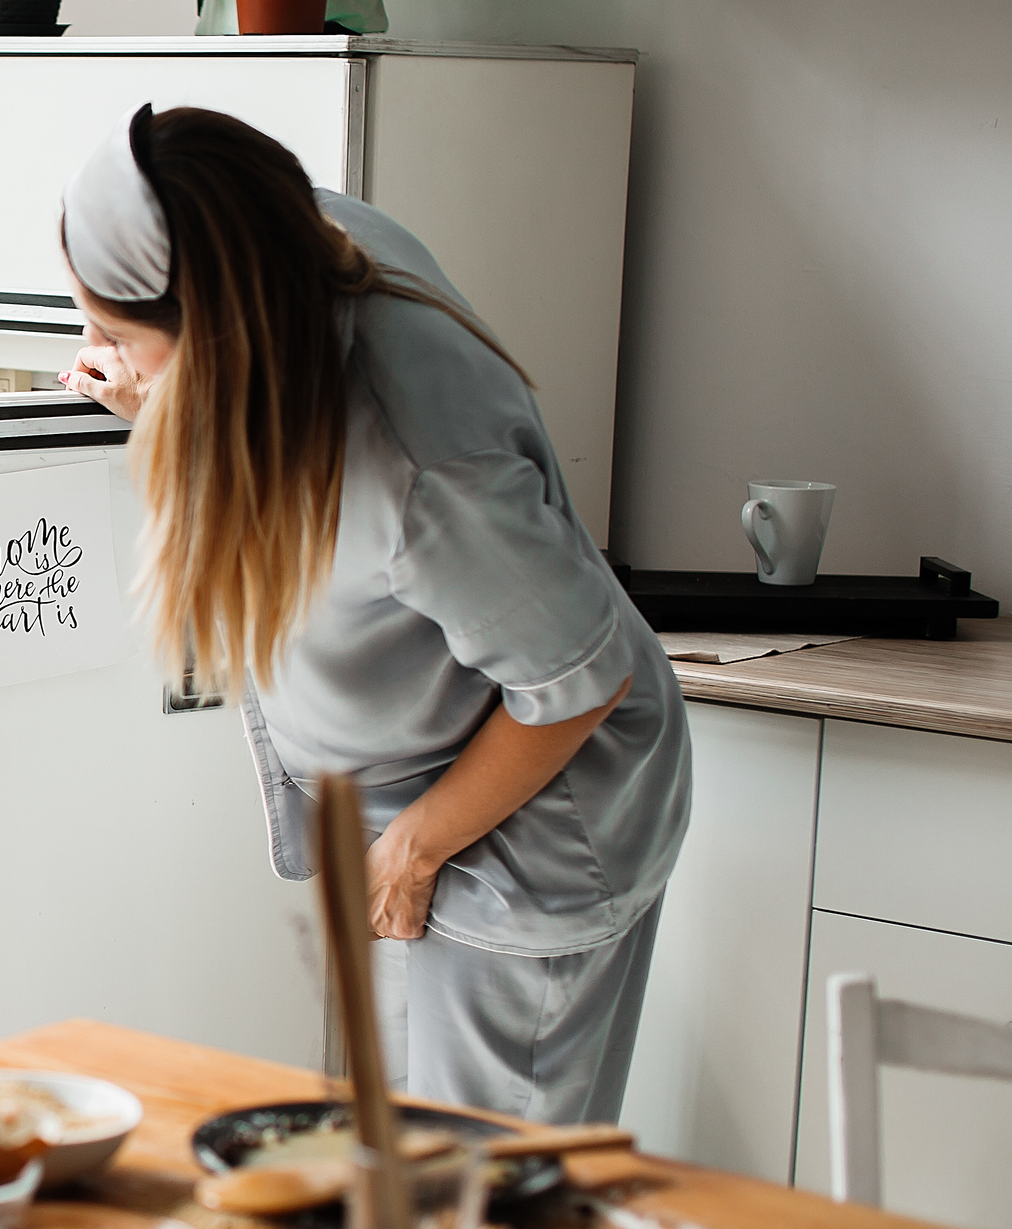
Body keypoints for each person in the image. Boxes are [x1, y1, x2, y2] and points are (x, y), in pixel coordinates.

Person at [57, 105, 691, 1126]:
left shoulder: (420, 467)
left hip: (520, 827)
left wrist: (414, 849)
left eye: (116, 335)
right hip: (426, 799)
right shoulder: (288, 245)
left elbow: (579, 681)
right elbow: (260, 420)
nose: (96, 352)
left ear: (220, 331)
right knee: (407, 1167)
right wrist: (157, 398)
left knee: (483, 1199)